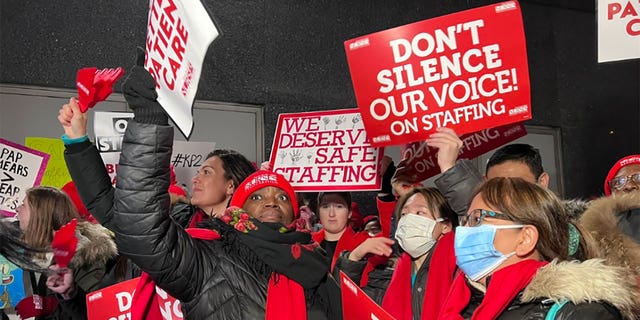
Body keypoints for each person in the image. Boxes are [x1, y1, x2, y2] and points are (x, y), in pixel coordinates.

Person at [58, 65, 340, 319]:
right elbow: (127, 217)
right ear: (243, 206)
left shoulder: (316, 267)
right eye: (258, 196)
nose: (195, 179)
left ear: (232, 187)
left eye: (207, 171)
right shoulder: (201, 249)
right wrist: (80, 143)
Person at [439, 178, 638, 319]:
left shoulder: (579, 313)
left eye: (477, 218)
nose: (464, 230)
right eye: (465, 220)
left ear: (525, 238)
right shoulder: (463, 306)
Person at [337, 187, 459, 320]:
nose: (409, 220)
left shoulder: (459, 271)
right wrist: (355, 256)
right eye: (404, 214)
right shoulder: (387, 276)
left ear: (445, 226)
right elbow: (346, 304)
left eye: (419, 212)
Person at [14, 186, 117, 320]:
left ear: (39, 216)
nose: (17, 209)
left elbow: (97, 313)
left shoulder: (86, 257)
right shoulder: (40, 253)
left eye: (24, 205)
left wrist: (51, 307)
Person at [312, 192, 369, 272]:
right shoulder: (306, 242)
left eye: (339, 206)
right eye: (325, 207)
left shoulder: (363, 243)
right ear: (318, 212)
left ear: (349, 213)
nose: (331, 214)